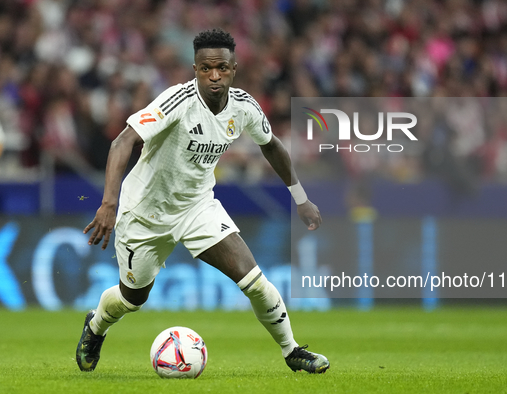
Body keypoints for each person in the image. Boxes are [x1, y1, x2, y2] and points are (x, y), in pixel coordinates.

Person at [76, 29, 329, 374]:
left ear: (233, 68)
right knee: (132, 299)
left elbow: (271, 145)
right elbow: (122, 142)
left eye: (222, 68)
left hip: (197, 207)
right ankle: (96, 325)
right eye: (206, 68)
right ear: (194, 69)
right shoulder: (176, 102)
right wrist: (109, 203)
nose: (214, 76)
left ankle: (292, 351)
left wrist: (300, 197)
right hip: (144, 213)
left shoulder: (244, 107)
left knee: (253, 279)